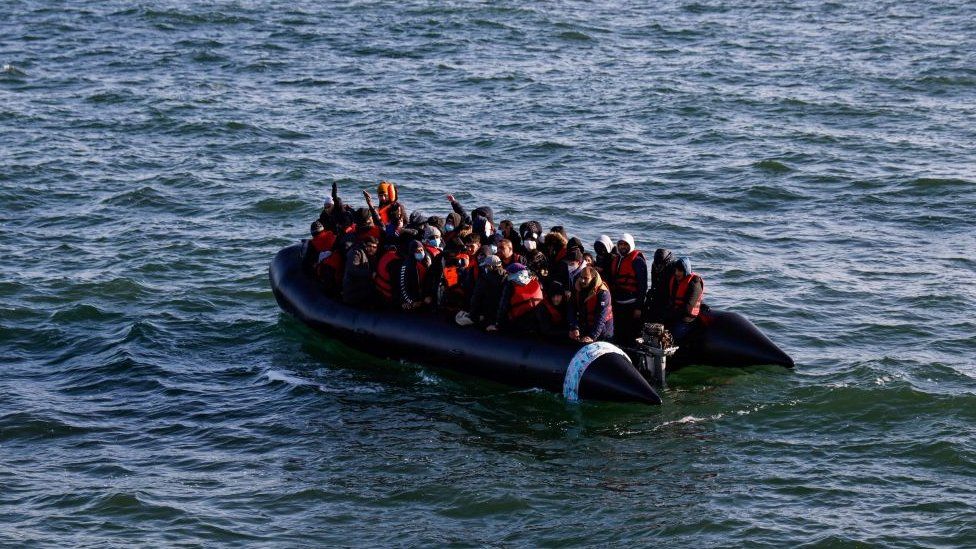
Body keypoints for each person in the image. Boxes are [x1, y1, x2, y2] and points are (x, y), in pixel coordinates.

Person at [609, 233, 648, 346]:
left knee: (631, 335)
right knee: (618, 333)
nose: (622, 247)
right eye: (620, 244)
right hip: (618, 303)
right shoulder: (616, 259)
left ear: (631, 245)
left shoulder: (638, 261)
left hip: (632, 304)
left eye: (625, 244)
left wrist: (638, 307)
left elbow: (643, 286)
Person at [488, 263, 544, 334]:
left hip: (518, 322)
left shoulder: (511, 284)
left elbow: (503, 306)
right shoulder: (535, 280)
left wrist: (497, 324)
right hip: (537, 320)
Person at [568, 266, 614, 343]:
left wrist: (592, 336)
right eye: (581, 277)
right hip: (585, 326)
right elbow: (571, 308)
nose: (582, 280)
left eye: (586, 278)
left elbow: (601, 317)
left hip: (602, 330)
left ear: (593, 278)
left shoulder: (603, 293)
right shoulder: (577, 288)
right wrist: (574, 327)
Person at [667, 257, 704, 341]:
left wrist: (672, 314)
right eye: (675, 270)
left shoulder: (694, 284)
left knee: (673, 335)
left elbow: (687, 309)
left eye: (680, 270)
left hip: (688, 319)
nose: (676, 273)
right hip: (675, 315)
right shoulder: (675, 281)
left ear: (686, 271)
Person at [465, 254, 506, 327]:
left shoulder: (484, 278)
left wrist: (472, 314)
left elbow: (476, 297)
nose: (484, 268)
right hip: (501, 316)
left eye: (486, 266)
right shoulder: (506, 276)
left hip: (486, 313)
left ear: (490, 266)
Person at [342, 236, 379, 307]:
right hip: (353, 292)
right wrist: (371, 274)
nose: (372, 249)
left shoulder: (371, 255)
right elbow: (353, 270)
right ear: (364, 244)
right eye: (370, 246)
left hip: (362, 288)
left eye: (374, 247)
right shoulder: (356, 252)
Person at [400, 240, 435, 310]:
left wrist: (430, 296)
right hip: (413, 296)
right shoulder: (406, 265)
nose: (420, 252)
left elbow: (433, 280)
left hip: (426, 295)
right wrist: (411, 301)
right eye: (417, 251)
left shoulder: (429, 261)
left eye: (421, 250)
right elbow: (403, 286)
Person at [644, 248, 676, 322]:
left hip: (669, 295)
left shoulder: (673, 267)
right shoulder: (654, 264)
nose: (658, 267)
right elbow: (654, 284)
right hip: (658, 291)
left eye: (660, 265)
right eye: (656, 265)